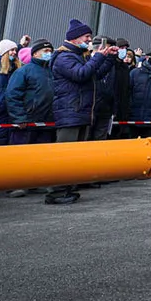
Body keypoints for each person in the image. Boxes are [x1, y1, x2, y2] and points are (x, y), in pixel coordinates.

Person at [47, 20, 114, 204]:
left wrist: (107, 58)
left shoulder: (79, 56)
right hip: (70, 111)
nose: (89, 40)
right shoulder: (64, 57)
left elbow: (94, 74)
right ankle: (56, 191)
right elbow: (81, 74)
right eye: (87, 37)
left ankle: (67, 188)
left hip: (80, 112)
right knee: (64, 155)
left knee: (75, 155)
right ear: (75, 38)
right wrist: (97, 58)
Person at [6, 40, 56, 145]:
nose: (49, 53)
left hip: (47, 124)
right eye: (45, 50)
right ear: (35, 53)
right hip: (27, 124)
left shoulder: (53, 71)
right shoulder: (23, 71)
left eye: (51, 51)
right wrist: (19, 118)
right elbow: (13, 95)